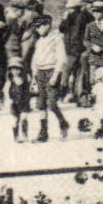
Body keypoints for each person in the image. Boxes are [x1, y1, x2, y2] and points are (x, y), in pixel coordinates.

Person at [30, 13, 71, 142]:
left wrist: (55, 75)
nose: (38, 29)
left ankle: (63, 123)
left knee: (52, 103)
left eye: (40, 26)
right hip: (40, 73)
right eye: (36, 27)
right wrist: (34, 75)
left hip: (52, 71)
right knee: (41, 104)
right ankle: (43, 132)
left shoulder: (56, 39)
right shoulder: (39, 41)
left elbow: (61, 58)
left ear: (47, 25)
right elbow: (35, 59)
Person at [80, 0, 103, 106]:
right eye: (94, 12)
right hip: (94, 56)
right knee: (94, 79)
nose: (96, 14)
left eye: (99, 12)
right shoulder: (90, 26)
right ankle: (93, 100)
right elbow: (85, 40)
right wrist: (92, 46)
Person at [59, 0, 93, 101]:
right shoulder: (80, 16)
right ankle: (75, 94)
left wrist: (64, 19)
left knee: (67, 71)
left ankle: (63, 93)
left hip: (73, 49)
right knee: (77, 72)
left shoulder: (77, 17)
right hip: (77, 48)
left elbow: (74, 33)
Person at [8, 64, 33, 142]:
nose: (15, 71)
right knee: (15, 120)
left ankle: (25, 135)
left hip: (24, 102)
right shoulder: (10, 81)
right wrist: (9, 100)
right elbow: (7, 92)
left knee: (23, 118)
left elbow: (28, 92)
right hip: (14, 103)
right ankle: (16, 136)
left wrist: (28, 100)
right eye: (13, 69)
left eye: (17, 69)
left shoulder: (25, 80)